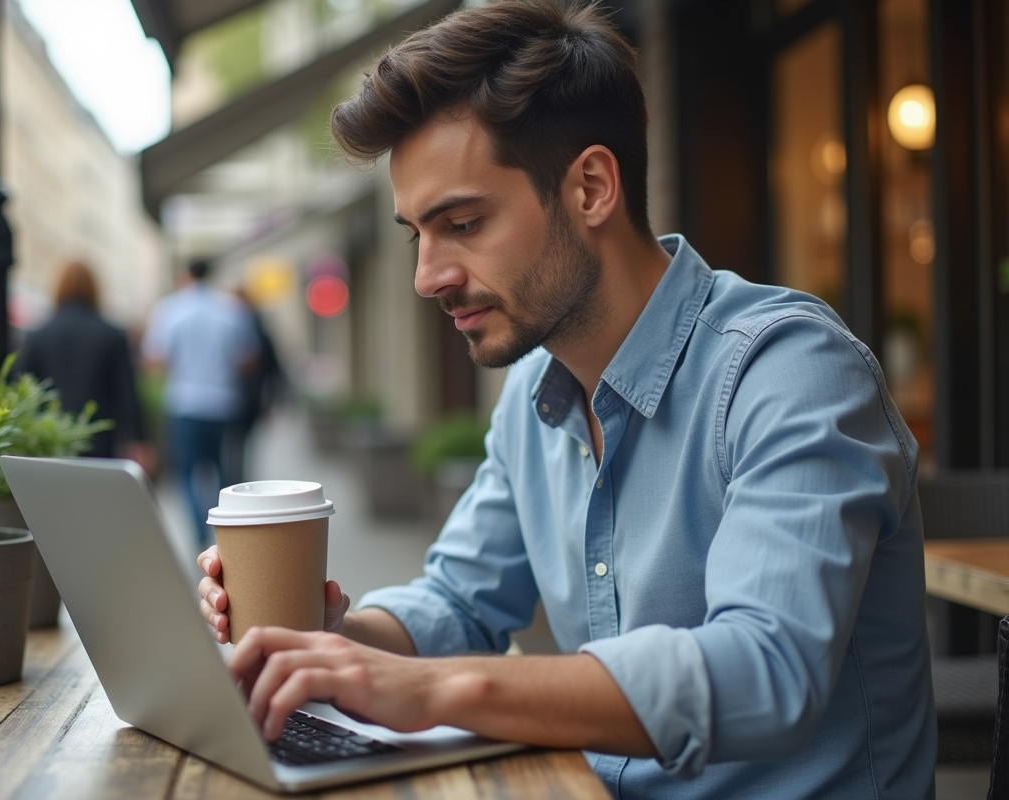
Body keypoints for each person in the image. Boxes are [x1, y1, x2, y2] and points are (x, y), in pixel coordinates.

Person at [195, 2, 935, 796]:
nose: (426, 277)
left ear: (590, 187)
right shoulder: (531, 396)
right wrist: (326, 638)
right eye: (417, 234)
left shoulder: (789, 370)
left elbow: (767, 671)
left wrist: (436, 690)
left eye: (463, 223)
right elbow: (458, 603)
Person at [143, 259, 258, 546]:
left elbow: (155, 359)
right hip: (223, 403)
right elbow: (248, 360)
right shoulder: (231, 309)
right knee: (223, 472)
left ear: (185, 275)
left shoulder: (170, 309)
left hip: (185, 403)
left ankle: (199, 532)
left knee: (187, 473)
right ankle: (224, 530)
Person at [18, 260, 151, 468]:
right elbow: (126, 392)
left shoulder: (38, 335)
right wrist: (139, 439)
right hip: (99, 441)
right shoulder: (111, 334)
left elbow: (23, 392)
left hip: (51, 441)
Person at [224, 286, 287, 484]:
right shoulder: (253, 329)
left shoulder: (250, 331)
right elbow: (275, 370)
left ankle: (236, 483)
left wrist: (273, 402)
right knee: (238, 447)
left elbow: (273, 369)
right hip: (245, 399)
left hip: (243, 400)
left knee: (236, 447)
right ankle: (237, 481)